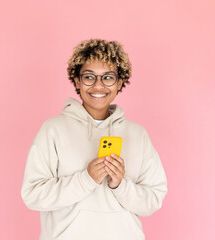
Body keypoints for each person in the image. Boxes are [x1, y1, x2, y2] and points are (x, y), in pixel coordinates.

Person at [21, 39, 167, 240]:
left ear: (119, 82)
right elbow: (33, 196)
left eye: (108, 77)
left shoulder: (138, 134)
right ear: (77, 81)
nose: (98, 85)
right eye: (89, 77)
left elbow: (153, 200)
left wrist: (120, 185)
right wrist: (86, 179)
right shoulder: (53, 130)